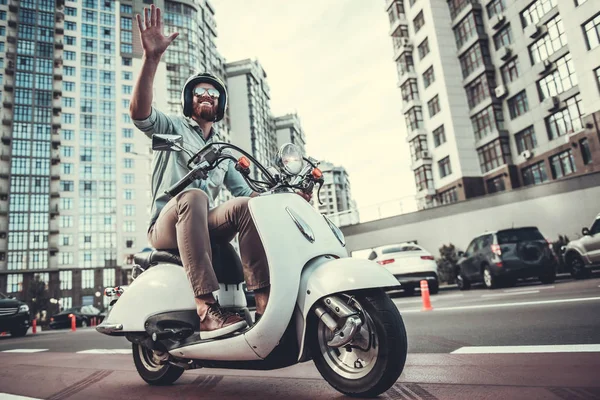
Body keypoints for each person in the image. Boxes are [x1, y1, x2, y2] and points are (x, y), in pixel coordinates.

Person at [130, 5, 277, 339]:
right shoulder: (173, 125)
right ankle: (205, 308)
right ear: (189, 100)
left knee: (246, 208)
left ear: (220, 104)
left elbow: (247, 192)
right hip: (165, 225)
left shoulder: (224, 149)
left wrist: (284, 196)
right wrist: (151, 59)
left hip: (202, 226)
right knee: (194, 195)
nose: (207, 96)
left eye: (213, 93)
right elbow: (140, 115)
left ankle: (264, 302)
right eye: (200, 92)